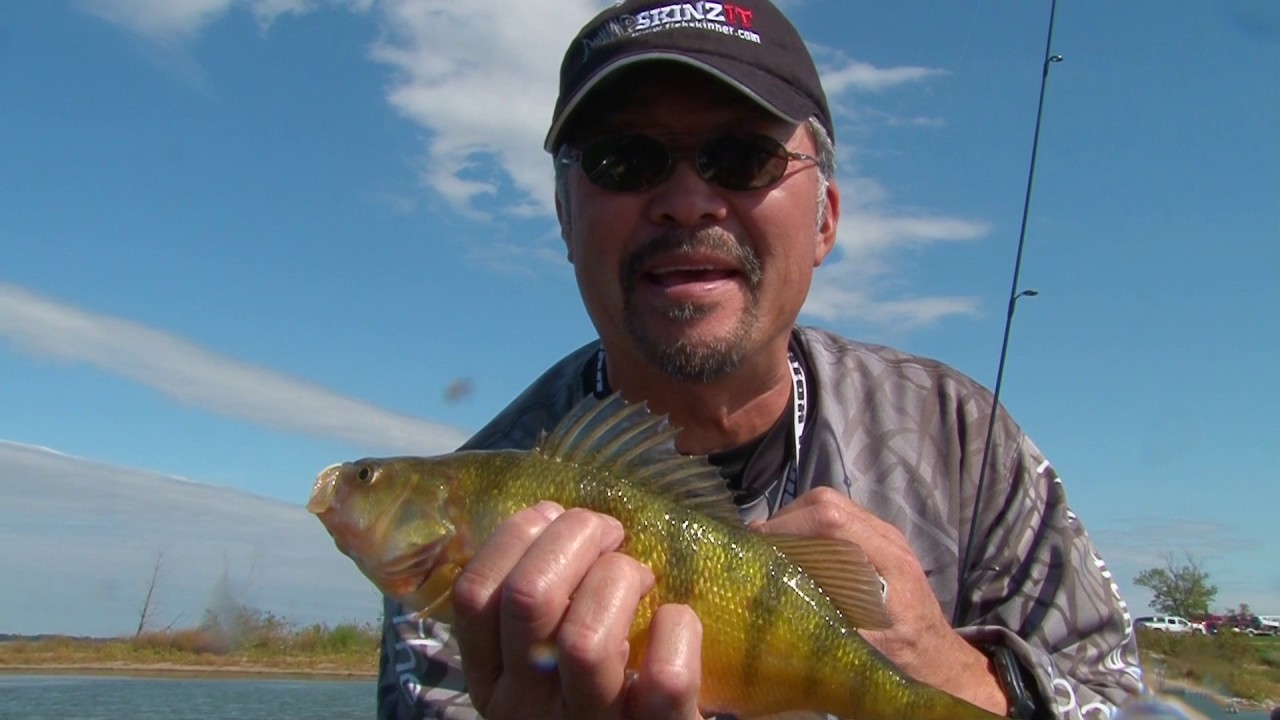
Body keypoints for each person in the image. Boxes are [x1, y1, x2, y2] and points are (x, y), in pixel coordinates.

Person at [377, 1, 1143, 718]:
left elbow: (1121, 695)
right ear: (565, 220)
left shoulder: (963, 441)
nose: (687, 200)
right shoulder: (472, 537)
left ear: (824, 220)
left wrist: (954, 676)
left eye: (743, 157)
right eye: (623, 160)